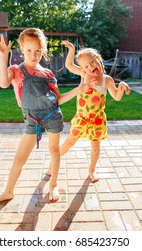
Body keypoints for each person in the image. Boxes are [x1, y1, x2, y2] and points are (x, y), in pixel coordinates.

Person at [0, 28, 96, 205]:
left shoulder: (48, 74)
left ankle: (53, 184)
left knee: (54, 151)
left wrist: (78, 90)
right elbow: (3, 82)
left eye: (38, 50)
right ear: (21, 49)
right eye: (29, 50)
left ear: (43, 50)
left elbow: (58, 99)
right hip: (32, 120)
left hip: (52, 116)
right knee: (19, 158)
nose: (34, 54)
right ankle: (8, 192)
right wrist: (3, 56)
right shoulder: (16, 70)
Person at [47, 40, 131, 183]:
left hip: (97, 120)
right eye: (86, 66)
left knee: (95, 148)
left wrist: (121, 86)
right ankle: (51, 167)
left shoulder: (107, 80)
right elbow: (68, 65)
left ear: (98, 60)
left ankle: (92, 170)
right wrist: (72, 50)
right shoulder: (84, 75)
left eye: (92, 62)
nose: (90, 66)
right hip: (82, 119)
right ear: (83, 69)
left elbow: (116, 97)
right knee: (68, 143)